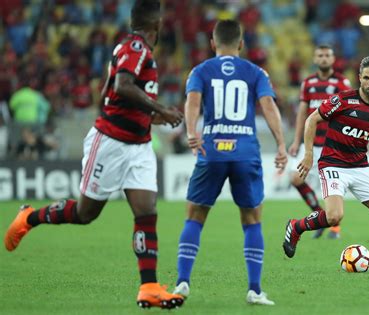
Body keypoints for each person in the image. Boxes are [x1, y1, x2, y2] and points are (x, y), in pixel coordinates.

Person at [4, 0, 186, 309]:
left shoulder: (130, 50)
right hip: (111, 143)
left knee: (146, 211)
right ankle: (29, 217)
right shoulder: (137, 48)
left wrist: (149, 117)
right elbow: (122, 86)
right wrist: (160, 109)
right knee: (85, 214)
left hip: (138, 145)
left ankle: (149, 287)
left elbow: (107, 94)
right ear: (157, 23)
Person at [172, 19, 288, 305]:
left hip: (212, 150)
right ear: (241, 43)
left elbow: (193, 102)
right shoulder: (255, 71)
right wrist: (282, 144)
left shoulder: (201, 71)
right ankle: (254, 289)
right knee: (251, 219)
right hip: (245, 150)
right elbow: (269, 106)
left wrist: (190, 132)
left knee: (195, 215)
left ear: (212, 43)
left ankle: (182, 282)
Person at [283, 56, 369, 271]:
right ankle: (296, 227)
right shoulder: (342, 100)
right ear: (359, 79)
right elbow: (311, 119)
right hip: (333, 164)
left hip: (361, 167)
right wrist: (308, 154)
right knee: (334, 216)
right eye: (366, 78)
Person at [288, 44, 351, 239]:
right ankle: (319, 215)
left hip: (333, 146)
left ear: (333, 59)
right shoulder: (308, 83)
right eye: (320, 55)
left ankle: (335, 228)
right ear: (315, 59)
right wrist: (297, 140)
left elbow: (349, 114)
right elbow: (302, 114)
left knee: (334, 186)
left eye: (327, 55)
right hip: (310, 145)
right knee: (295, 179)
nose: (323, 58)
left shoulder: (342, 83)